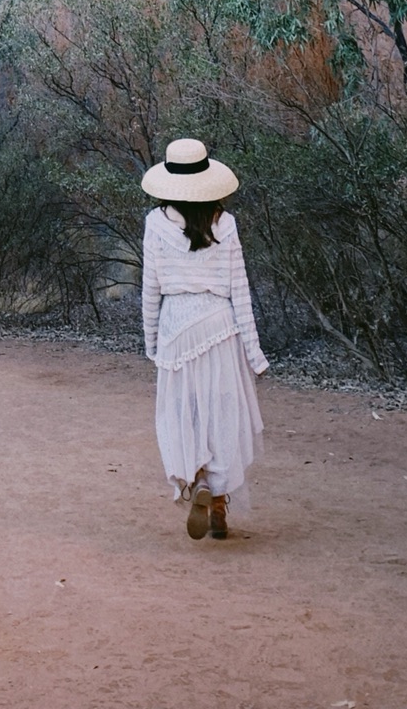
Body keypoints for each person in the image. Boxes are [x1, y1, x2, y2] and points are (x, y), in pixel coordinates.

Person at [140, 137, 268, 540]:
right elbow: (240, 291)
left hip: (177, 327)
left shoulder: (155, 224)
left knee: (183, 413)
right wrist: (254, 351)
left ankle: (195, 480)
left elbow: (150, 289)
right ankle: (217, 504)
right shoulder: (225, 224)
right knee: (221, 413)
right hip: (219, 325)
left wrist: (151, 340)